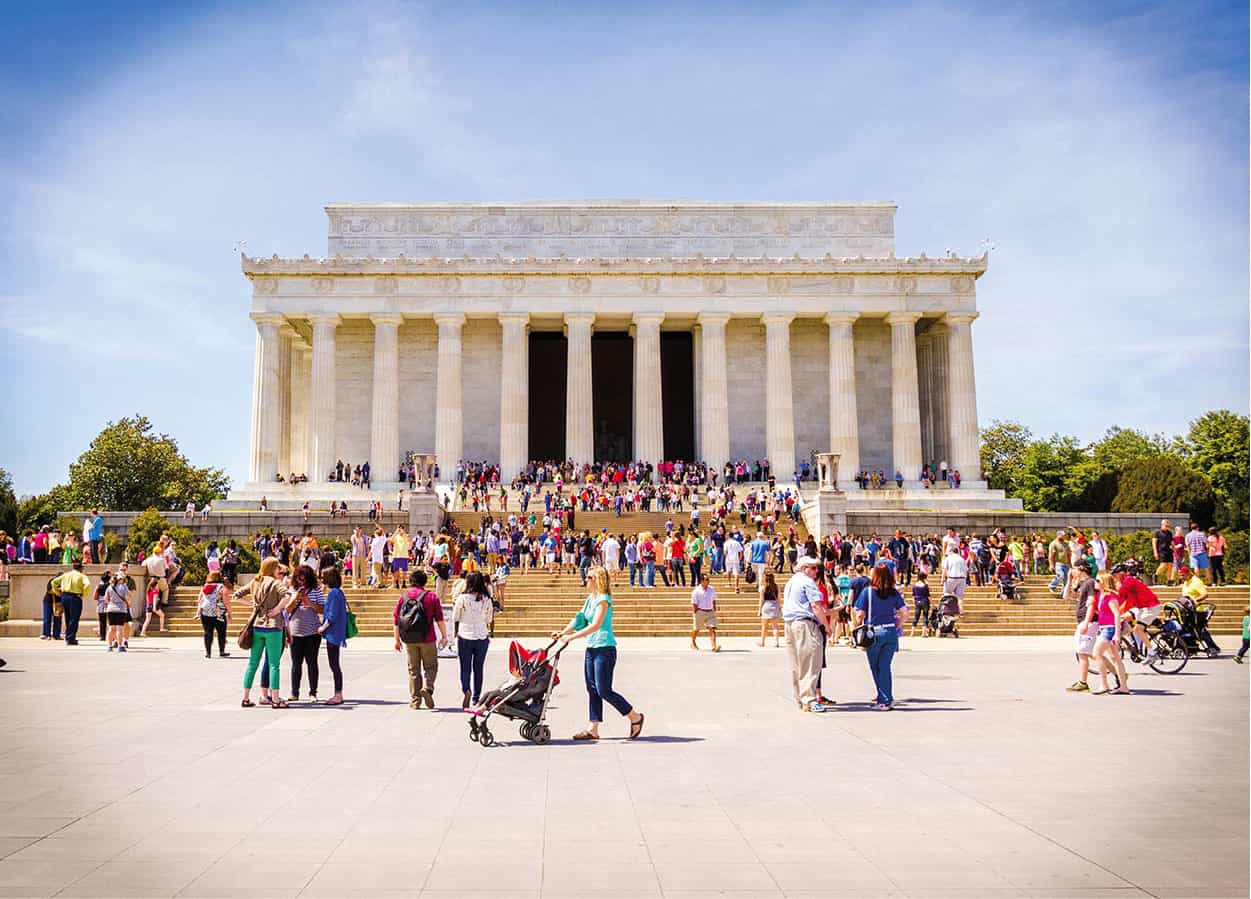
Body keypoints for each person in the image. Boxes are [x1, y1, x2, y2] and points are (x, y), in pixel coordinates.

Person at [552, 566, 645, 741]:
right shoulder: (590, 598)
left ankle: (635, 716)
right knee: (592, 689)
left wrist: (571, 638)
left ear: (598, 580)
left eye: (589, 577)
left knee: (604, 689)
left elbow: (595, 625)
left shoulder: (603, 600)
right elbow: (579, 619)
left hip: (605, 648)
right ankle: (593, 728)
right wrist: (563, 632)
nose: (586, 579)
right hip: (592, 648)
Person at [239, 558, 296, 707]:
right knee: (274, 665)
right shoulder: (275, 583)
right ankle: (275, 699)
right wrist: (277, 609)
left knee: (252, 663)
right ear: (273, 568)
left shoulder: (255, 581)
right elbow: (288, 596)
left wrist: (252, 604)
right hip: (273, 626)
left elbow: (237, 595)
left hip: (257, 626)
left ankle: (245, 697)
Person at [853, 563, 908, 710]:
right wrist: (897, 625)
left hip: (874, 632)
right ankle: (886, 696)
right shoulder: (893, 593)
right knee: (885, 666)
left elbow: (859, 614)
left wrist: (856, 628)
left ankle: (884, 699)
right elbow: (904, 613)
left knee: (875, 667)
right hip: (890, 631)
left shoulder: (868, 592)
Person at [781, 555, 831, 713]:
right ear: (804, 568)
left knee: (797, 664)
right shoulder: (807, 582)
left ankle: (800, 697)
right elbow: (816, 606)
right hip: (805, 624)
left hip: (790, 624)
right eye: (813, 568)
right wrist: (827, 625)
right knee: (810, 662)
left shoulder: (792, 581)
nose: (817, 571)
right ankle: (809, 698)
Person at [394, 570, 448, 709]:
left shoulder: (403, 597)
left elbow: (396, 620)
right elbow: (439, 619)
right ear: (424, 582)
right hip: (428, 637)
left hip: (409, 639)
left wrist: (397, 640)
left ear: (411, 581)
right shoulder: (431, 597)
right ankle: (427, 687)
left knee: (413, 670)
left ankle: (415, 701)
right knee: (431, 666)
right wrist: (444, 636)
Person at [1083, 573, 1129, 695]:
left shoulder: (1111, 597)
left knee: (1097, 653)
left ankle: (1104, 684)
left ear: (1104, 582)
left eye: (1097, 580)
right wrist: (1091, 602)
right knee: (1115, 658)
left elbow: (1117, 614)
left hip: (1110, 629)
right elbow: (1102, 611)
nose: (1095, 582)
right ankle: (1123, 686)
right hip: (1103, 627)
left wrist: (1117, 634)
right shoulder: (1100, 595)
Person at [452, 571, 493, 708]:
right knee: (478, 668)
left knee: (465, 668)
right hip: (481, 634)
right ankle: (476, 697)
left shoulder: (462, 598)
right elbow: (489, 618)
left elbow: (455, 617)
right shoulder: (486, 599)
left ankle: (466, 690)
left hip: (465, 634)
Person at [1112, 565, 1162, 666]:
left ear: (1121, 573)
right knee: (1122, 618)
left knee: (1138, 629)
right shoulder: (1125, 581)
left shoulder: (1128, 581)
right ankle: (1130, 642)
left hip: (1150, 607)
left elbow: (1120, 596)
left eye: (1115, 575)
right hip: (1141, 607)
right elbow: (1122, 599)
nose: (1114, 578)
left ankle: (1152, 652)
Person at [318, 565, 348, 705]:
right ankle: (338, 693)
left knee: (334, 664)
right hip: (336, 631)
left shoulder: (333, 593)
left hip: (333, 633)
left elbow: (332, 613)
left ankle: (338, 694)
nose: (321, 579)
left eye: (323, 577)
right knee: (334, 663)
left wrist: (323, 627)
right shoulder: (338, 592)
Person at [1066, 562, 1098, 692]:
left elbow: (1092, 603)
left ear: (1081, 569)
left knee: (1082, 653)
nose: (1072, 570)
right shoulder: (1081, 584)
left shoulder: (1090, 582)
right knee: (1091, 653)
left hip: (1088, 621)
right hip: (1082, 621)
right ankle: (1118, 674)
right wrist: (1069, 579)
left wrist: (1086, 622)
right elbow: (1066, 596)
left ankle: (1083, 682)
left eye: (1073, 568)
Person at [51, 561, 91, 645]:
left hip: (65, 596)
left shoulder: (66, 575)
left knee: (67, 617)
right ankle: (71, 638)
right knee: (74, 618)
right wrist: (84, 594)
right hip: (75, 597)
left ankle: (68, 636)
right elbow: (87, 585)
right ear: (81, 569)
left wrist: (58, 593)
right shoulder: (82, 576)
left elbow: (53, 582)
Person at [197, 571, 231, 658]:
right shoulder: (222, 587)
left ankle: (208, 653)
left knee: (208, 632)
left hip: (205, 612)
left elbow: (200, 600)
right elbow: (226, 601)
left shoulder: (204, 586)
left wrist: (198, 612)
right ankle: (222, 651)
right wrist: (230, 612)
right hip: (218, 612)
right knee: (221, 632)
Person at [104, 567, 133, 652]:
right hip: (121, 609)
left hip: (111, 609)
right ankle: (120, 646)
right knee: (119, 628)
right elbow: (128, 598)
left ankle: (109, 646)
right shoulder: (123, 587)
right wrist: (127, 603)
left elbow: (106, 599)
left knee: (111, 628)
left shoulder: (110, 587)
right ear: (122, 578)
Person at [690, 573, 720, 652]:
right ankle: (693, 642)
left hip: (710, 611)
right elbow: (694, 603)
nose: (708, 581)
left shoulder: (711, 589)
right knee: (696, 629)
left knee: (712, 628)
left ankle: (714, 646)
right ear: (702, 581)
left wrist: (714, 608)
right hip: (700, 611)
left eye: (708, 579)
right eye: (706, 579)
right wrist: (695, 612)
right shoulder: (696, 591)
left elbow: (713, 599)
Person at [759, 570, 782, 647]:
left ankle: (762, 642)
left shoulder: (763, 587)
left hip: (766, 605)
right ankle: (776, 642)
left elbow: (761, 600)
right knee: (775, 626)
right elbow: (779, 598)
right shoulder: (776, 586)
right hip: (774, 605)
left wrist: (759, 610)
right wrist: (779, 606)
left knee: (764, 626)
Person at [1151, 519, 1174, 585]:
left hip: (1169, 551)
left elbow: (1172, 542)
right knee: (1163, 565)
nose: (1167, 527)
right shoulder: (1157, 532)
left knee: (1170, 565)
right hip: (1162, 551)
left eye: (1168, 525)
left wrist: (1174, 548)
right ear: (1162, 525)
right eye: (1166, 525)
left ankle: (1169, 581)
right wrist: (1155, 552)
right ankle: (1156, 575)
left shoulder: (1169, 533)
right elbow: (1154, 542)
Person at [910, 573, 931, 637]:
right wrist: (932, 604)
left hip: (917, 601)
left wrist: (915, 602)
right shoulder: (925, 585)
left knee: (916, 617)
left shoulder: (914, 585)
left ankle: (912, 633)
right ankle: (923, 633)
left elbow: (913, 595)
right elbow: (928, 595)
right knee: (925, 616)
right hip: (925, 601)